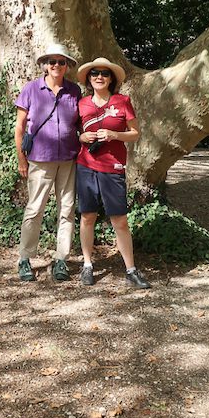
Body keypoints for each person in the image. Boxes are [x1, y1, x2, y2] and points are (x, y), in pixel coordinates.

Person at [75, 57, 151, 289]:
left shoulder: (122, 101)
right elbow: (75, 132)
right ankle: (87, 265)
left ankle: (130, 270)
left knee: (120, 220)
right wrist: (82, 137)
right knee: (88, 216)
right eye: (95, 73)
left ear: (111, 79)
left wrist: (115, 135)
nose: (99, 77)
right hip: (86, 165)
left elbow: (135, 133)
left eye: (105, 74)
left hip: (113, 167)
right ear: (89, 78)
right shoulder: (82, 103)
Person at [13, 43, 82, 282]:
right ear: (45, 65)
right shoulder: (32, 89)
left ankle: (61, 259)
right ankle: (25, 258)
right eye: (52, 61)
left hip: (68, 161)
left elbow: (81, 124)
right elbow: (20, 128)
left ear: (67, 66)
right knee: (34, 209)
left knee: (67, 211)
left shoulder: (74, 91)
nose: (56, 65)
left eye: (61, 62)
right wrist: (22, 159)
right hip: (40, 160)